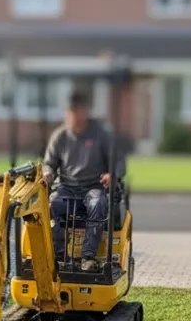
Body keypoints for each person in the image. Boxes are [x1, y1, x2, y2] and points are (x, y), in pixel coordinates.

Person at [40, 90, 127, 272]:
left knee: (98, 203)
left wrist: (112, 174)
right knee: (52, 205)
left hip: (93, 186)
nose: (74, 116)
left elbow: (119, 162)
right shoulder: (60, 136)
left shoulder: (101, 135)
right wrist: (47, 173)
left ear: (85, 111)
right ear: (66, 113)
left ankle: (88, 256)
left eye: (78, 111)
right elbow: (49, 163)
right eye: (71, 112)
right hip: (67, 187)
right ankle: (59, 255)